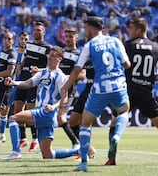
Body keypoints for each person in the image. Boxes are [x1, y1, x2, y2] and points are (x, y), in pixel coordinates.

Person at [60, 17, 131, 172]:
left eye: (85, 29)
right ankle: (117, 136)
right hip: (118, 86)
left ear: (91, 28)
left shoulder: (90, 45)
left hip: (99, 88)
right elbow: (127, 64)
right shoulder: (116, 41)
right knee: (123, 111)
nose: (84, 32)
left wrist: (65, 87)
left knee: (85, 123)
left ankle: (84, 163)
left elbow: (77, 69)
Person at [2, 46, 79, 160]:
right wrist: (14, 82)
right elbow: (28, 83)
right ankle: (81, 150)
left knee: (13, 118)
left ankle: (16, 152)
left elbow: (65, 98)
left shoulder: (60, 76)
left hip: (45, 112)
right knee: (47, 155)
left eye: (54, 55)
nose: (50, 58)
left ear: (60, 59)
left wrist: (54, 106)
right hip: (45, 115)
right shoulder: (43, 73)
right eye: (50, 55)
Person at [106, 17, 158, 165]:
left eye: (131, 28)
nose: (128, 30)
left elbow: (120, 65)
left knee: (114, 123)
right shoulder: (155, 47)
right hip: (146, 92)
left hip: (127, 92)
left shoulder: (127, 45)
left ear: (140, 30)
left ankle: (112, 159)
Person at [13, 22, 51, 152]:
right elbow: (26, 57)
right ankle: (23, 138)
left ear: (44, 32)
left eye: (39, 30)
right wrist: (20, 65)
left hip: (35, 81)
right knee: (17, 108)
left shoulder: (47, 48)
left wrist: (38, 70)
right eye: (34, 30)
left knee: (31, 112)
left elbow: (50, 66)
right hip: (23, 78)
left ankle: (35, 139)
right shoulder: (29, 45)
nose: (36, 32)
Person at [0, 31, 28, 147]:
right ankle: (3, 135)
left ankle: (27, 138)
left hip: (25, 85)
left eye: (26, 40)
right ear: (18, 40)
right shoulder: (13, 53)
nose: (24, 41)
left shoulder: (30, 54)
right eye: (22, 39)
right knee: (5, 110)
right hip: (13, 85)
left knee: (22, 112)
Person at [57, 27, 83, 150]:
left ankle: (77, 143)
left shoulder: (80, 54)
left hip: (68, 90)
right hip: (55, 89)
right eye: (66, 36)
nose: (67, 39)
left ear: (76, 38)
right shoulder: (60, 53)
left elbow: (82, 74)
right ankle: (44, 145)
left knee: (61, 117)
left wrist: (66, 77)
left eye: (71, 36)